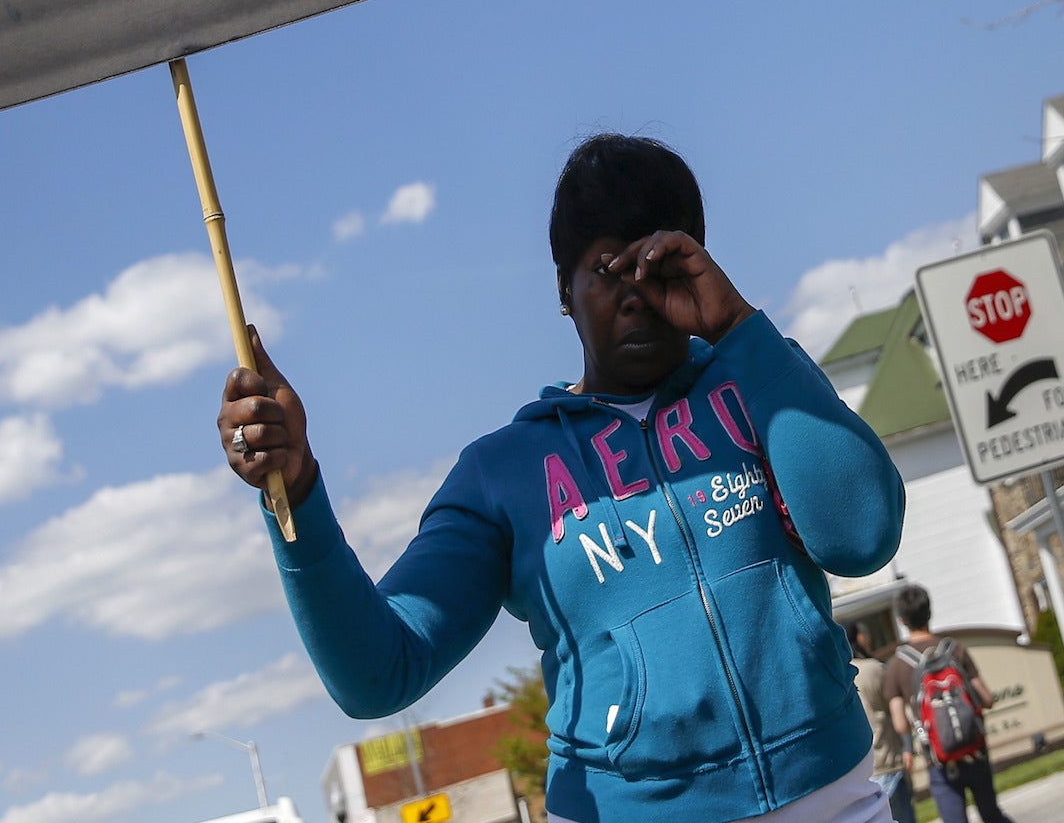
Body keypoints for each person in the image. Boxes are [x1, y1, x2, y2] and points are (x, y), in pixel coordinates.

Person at [216, 134, 908, 823]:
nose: (637, 294)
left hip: (833, 795)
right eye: (609, 269)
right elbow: (377, 673)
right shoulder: (501, 473)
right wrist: (297, 487)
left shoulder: (761, 378)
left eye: (659, 263)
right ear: (563, 290)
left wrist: (737, 326)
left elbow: (863, 537)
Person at [882, 584, 1011, 823]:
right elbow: (987, 699)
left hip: (939, 760)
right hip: (975, 749)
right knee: (991, 814)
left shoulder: (897, 665)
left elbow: (900, 725)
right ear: (929, 612)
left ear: (901, 620)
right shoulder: (954, 649)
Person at [851, 626, 913, 823]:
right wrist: (908, 747)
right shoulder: (873, 669)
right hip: (888, 762)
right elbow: (897, 711)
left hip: (859, 774)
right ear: (859, 638)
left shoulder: (835, 677)